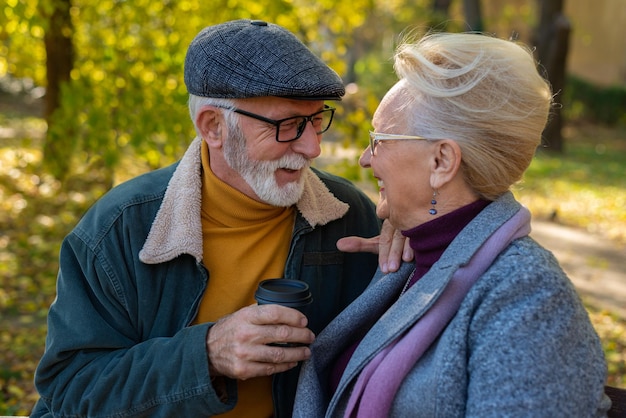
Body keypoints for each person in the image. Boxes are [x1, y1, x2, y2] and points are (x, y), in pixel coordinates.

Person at [31, 19, 407, 417]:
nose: (312, 147)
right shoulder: (119, 229)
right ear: (213, 127)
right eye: (289, 126)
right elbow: (70, 387)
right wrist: (206, 355)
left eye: (316, 120)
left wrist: (422, 250)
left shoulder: (348, 215)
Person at [294, 32, 611, 417]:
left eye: (379, 140)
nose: (364, 158)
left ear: (442, 161)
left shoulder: (530, 298)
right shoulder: (414, 255)